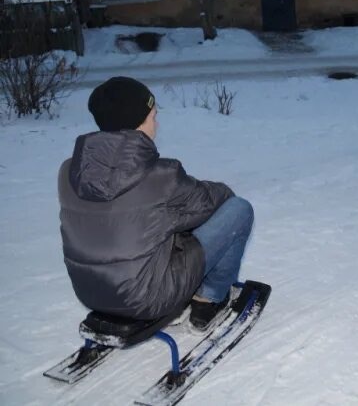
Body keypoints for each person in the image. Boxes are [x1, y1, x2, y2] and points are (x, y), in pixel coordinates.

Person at [58, 77, 254, 331]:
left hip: (90, 292)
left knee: (163, 225)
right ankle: (209, 299)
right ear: (138, 124)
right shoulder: (161, 177)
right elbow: (213, 200)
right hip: (148, 299)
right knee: (238, 210)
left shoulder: (69, 171)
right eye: (153, 116)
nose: (157, 124)